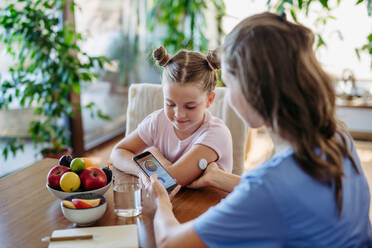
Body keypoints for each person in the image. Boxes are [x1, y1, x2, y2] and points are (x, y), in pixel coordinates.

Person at [144, 12, 372, 247]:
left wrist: (160, 199)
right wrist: (221, 178)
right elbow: (291, 196)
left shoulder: (267, 187)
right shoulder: (337, 136)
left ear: (252, 91)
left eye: (229, 85)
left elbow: (169, 242)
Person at [110, 46, 233, 186]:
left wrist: (154, 155)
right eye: (170, 104)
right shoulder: (157, 121)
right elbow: (118, 152)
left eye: (190, 106)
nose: (178, 114)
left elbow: (172, 180)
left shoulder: (216, 133)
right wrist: (143, 172)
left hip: (206, 206)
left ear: (209, 100)